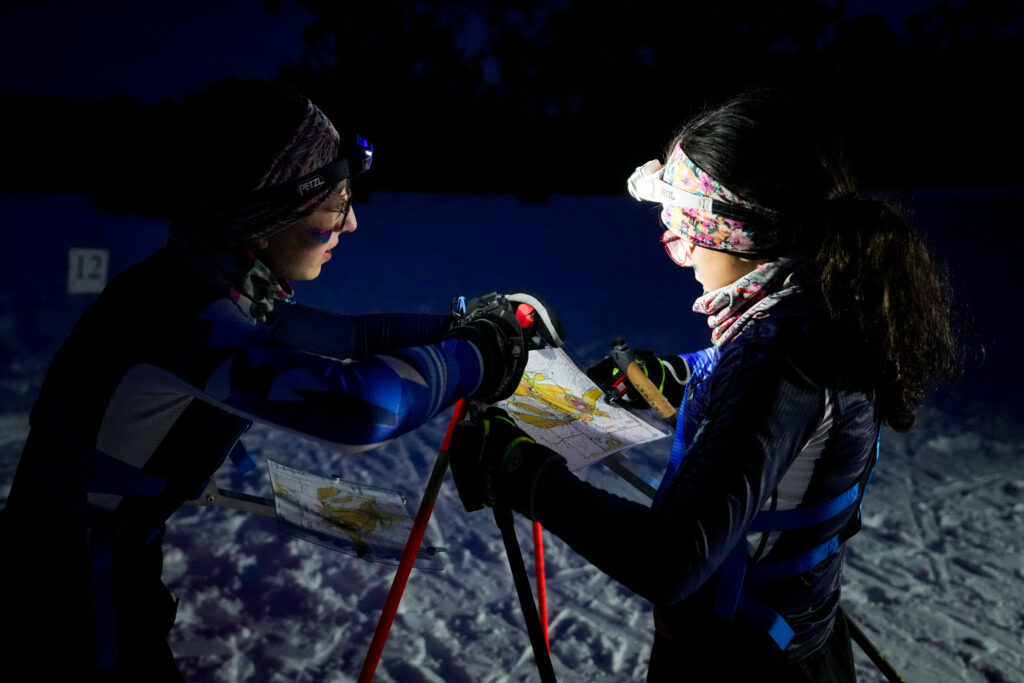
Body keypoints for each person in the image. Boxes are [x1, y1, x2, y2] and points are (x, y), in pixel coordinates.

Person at [0, 78, 562, 680]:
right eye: (338, 204)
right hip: (67, 597)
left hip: (88, 563)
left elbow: (350, 338)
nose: (351, 224)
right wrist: (479, 353)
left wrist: (466, 324)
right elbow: (359, 410)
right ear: (267, 218)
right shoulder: (182, 316)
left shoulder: (206, 280)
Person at [447, 87, 960, 682]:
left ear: (727, 230)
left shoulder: (782, 363)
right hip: (792, 642)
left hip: (740, 665)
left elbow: (670, 559)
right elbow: (769, 396)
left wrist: (522, 472)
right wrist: (678, 374)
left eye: (679, 225)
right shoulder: (827, 306)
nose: (680, 250)